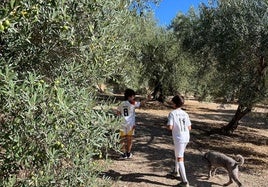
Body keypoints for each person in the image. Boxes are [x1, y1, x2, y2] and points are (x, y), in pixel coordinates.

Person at [167, 95, 191, 187]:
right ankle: (176, 172)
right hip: (186, 137)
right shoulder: (185, 114)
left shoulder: (172, 113)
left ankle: (185, 182)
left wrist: (167, 125)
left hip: (179, 138)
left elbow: (170, 127)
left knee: (180, 158)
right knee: (178, 155)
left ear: (174, 103)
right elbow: (189, 127)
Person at [117, 88, 144, 159]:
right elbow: (142, 104)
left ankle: (123, 154)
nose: (134, 98)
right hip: (131, 125)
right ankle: (128, 153)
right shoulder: (133, 103)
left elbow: (118, 113)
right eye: (133, 96)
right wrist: (148, 99)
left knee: (122, 139)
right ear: (129, 96)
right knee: (129, 139)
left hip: (122, 123)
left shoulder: (121, 103)